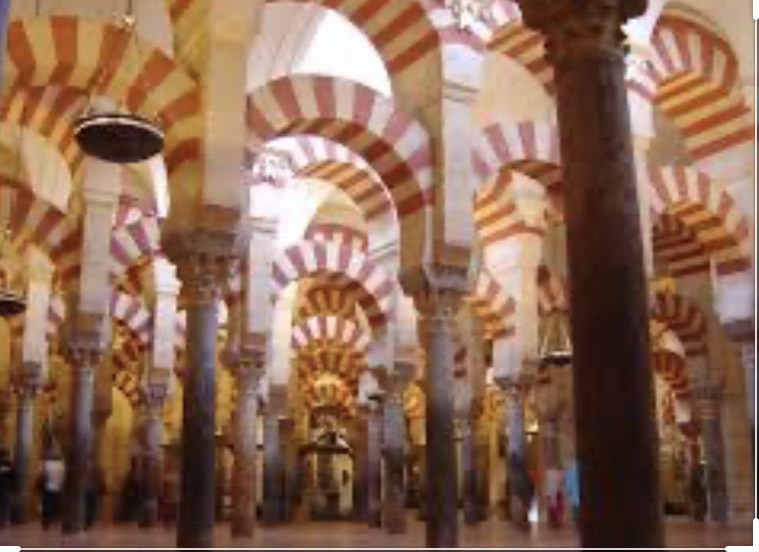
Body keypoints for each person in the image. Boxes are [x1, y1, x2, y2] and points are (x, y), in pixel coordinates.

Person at [38, 454, 65, 529]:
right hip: (58, 488)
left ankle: (46, 521)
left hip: (47, 487)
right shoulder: (62, 466)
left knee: (46, 504)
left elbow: (41, 474)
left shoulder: (46, 464)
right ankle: (55, 519)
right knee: (56, 504)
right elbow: (64, 478)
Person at [0, 449, 16, 527]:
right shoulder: (9, 464)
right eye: (7, 455)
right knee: (5, 503)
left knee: (5, 503)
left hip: (6, 486)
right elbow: (13, 476)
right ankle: (5, 520)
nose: (8, 457)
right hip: (6, 486)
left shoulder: (9, 464)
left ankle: (4, 520)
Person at [564, 459, 580, 525]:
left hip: (574, 495)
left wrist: (567, 492)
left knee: (575, 509)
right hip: (579, 494)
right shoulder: (581, 471)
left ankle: (576, 522)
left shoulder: (570, 472)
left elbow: (568, 485)